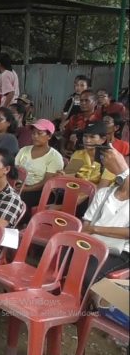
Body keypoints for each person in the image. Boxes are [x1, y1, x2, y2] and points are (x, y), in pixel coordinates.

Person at [80, 146, 129, 288]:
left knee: (88, 275)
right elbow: (86, 225)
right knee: (62, 257)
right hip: (94, 243)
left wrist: (95, 229)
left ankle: (86, 306)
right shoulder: (104, 193)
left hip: (120, 251)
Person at [14, 119, 64, 221]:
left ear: (49, 136)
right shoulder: (24, 150)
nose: (35, 136)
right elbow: (15, 170)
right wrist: (16, 185)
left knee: (19, 199)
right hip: (20, 186)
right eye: (33, 133)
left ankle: (18, 225)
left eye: (39, 133)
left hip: (41, 191)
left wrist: (25, 189)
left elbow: (46, 182)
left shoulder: (54, 157)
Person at [63, 122, 116, 188]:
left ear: (103, 140)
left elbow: (101, 188)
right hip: (77, 191)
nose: (87, 140)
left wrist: (81, 196)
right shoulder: (78, 154)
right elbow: (69, 178)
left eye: (92, 137)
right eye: (85, 136)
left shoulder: (109, 159)